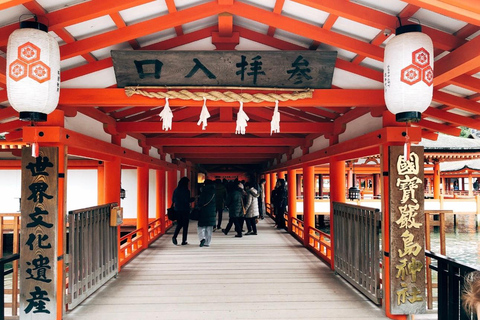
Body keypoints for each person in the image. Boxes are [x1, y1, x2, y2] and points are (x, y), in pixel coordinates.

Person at [172, 177, 195, 246]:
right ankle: (184, 241)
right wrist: (193, 199)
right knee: (185, 225)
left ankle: (174, 236)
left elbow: (173, 200)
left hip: (178, 209)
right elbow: (187, 200)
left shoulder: (176, 190)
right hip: (185, 209)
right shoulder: (186, 191)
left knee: (179, 224)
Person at [197, 179, 216, 247]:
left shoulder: (203, 191)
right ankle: (208, 242)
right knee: (209, 228)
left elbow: (201, 203)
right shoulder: (214, 192)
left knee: (201, 226)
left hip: (203, 211)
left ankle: (202, 238)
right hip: (212, 211)